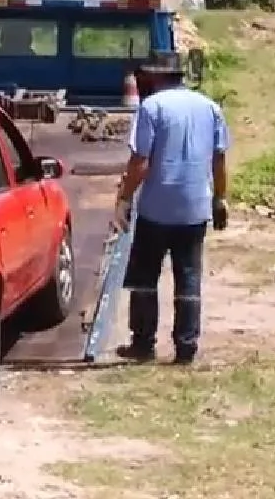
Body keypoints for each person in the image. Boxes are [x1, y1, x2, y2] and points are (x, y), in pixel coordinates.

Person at [112, 54, 230, 365]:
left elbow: (140, 162)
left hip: (156, 209)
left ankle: (143, 344)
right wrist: (220, 198)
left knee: (145, 278)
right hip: (194, 209)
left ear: (154, 77)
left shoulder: (152, 107)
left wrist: (124, 199)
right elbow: (219, 159)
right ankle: (186, 348)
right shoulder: (209, 107)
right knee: (189, 277)